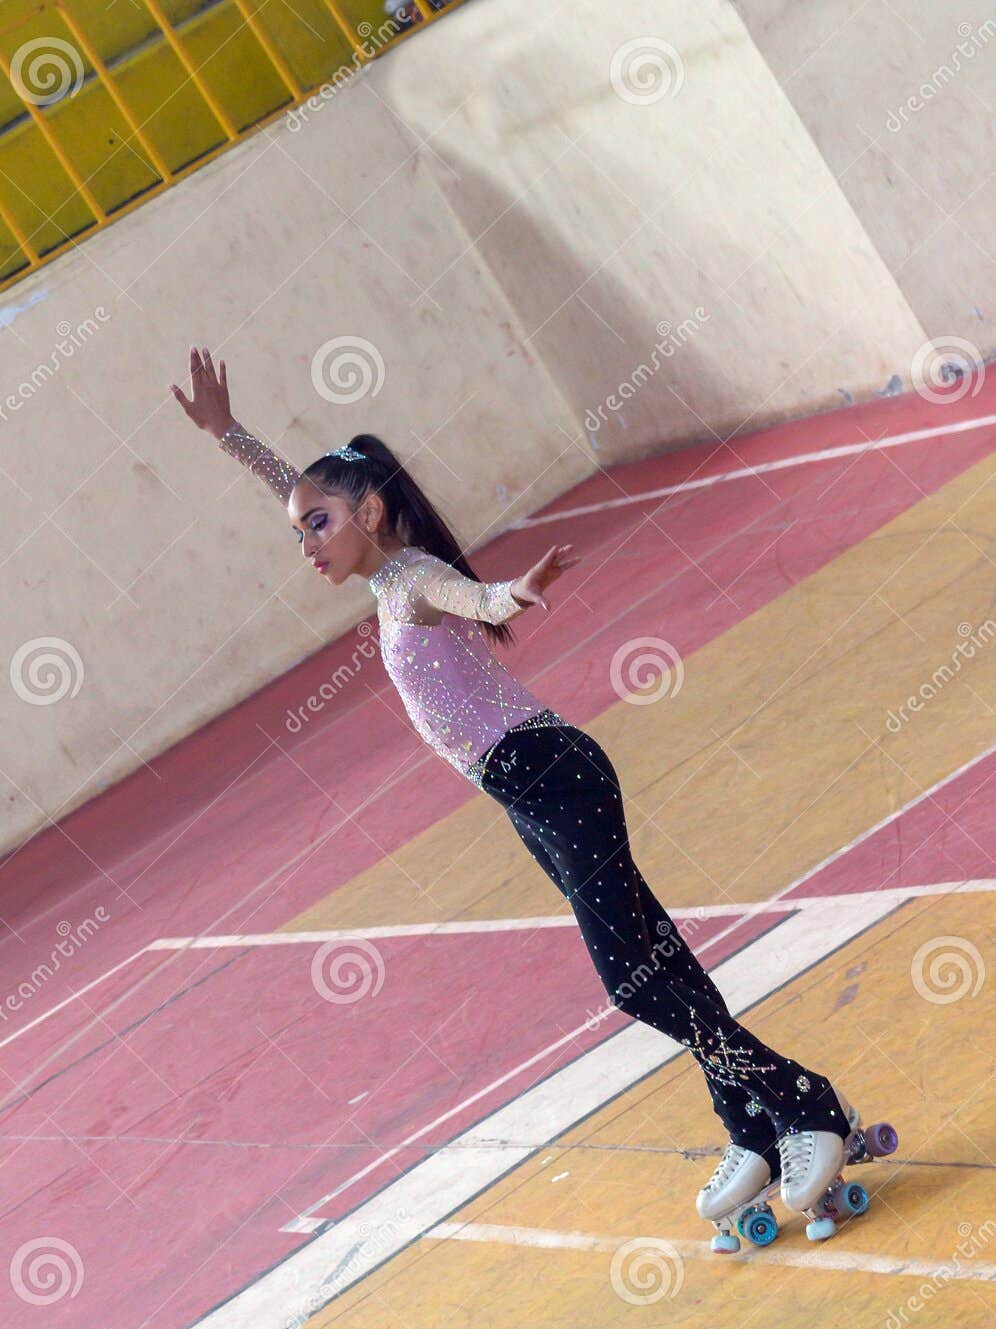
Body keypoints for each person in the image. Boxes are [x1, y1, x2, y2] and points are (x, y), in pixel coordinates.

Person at [170, 346, 861, 1235]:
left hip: (553, 775)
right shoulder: (382, 578)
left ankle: (802, 1103)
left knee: (633, 981)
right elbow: (294, 486)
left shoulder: (413, 578)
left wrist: (513, 595)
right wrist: (230, 435)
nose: (304, 542)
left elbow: (477, 598)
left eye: (317, 525)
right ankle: (752, 1128)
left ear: (369, 511)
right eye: (298, 528)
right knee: (662, 961)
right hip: (527, 797)